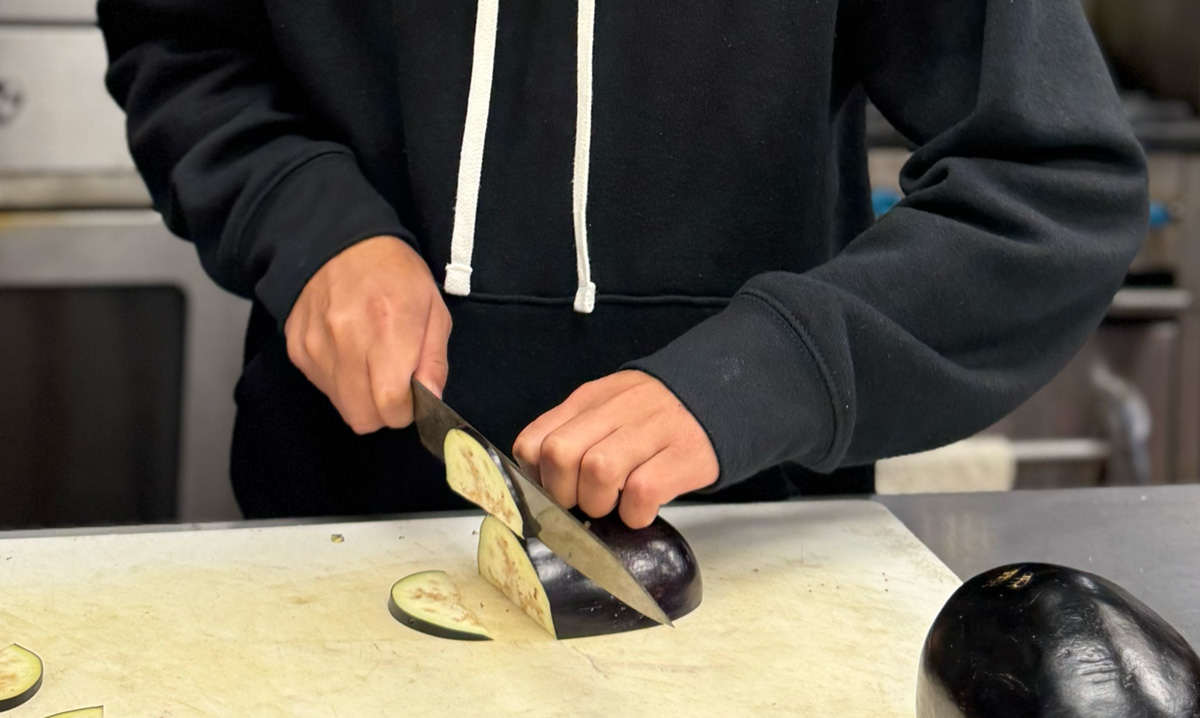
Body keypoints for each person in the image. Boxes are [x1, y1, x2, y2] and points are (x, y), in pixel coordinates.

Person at [97, 0, 1148, 527]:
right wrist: (311, 220)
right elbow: (182, 47)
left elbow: (1052, 182)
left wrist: (769, 372)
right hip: (330, 539)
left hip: (748, 556)